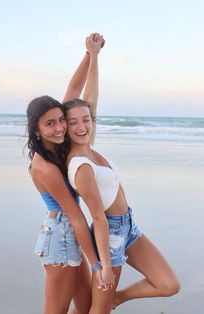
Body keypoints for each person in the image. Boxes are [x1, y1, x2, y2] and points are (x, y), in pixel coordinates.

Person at [63, 98, 181, 314]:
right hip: (109, 234)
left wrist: (93, 62)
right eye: (73, 122)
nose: (82, 127)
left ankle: (115, 298)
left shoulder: (90, 149)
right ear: (65, 126)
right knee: (98, 310)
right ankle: (107, 301)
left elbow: (91, 99)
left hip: (129, 226)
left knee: (168, 284)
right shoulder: (81, 166)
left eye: (86, 119)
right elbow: (98, 218)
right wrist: (105, 266)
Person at [26, 33, 114, 314]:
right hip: (60, 239)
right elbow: (76, 216)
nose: (60, 127)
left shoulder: (60, 147)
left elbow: (75, 88)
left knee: (88, 307)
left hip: (71, 235)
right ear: (36, 130)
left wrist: (90, 54)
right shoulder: (44, 165)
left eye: (61, 120)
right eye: (50, 124)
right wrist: (97, 264)